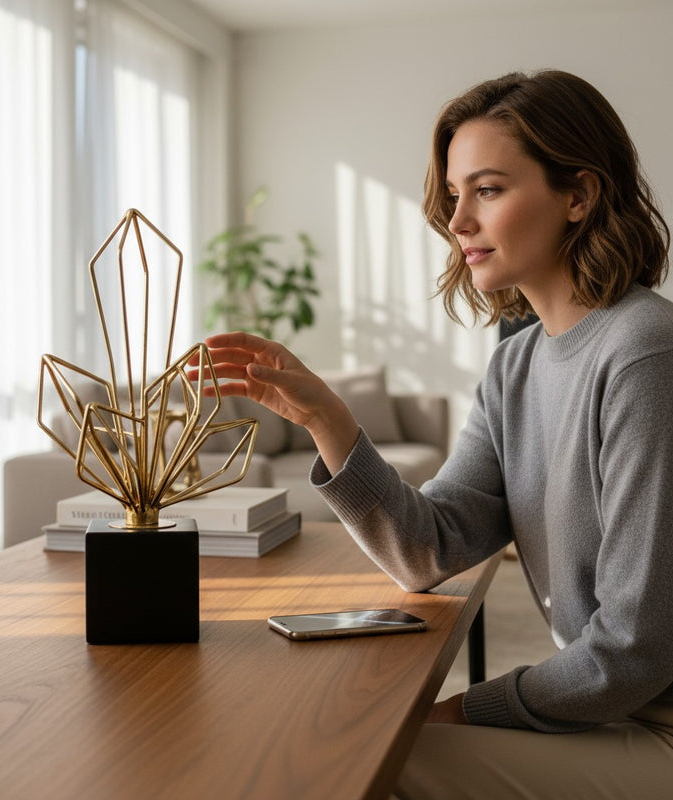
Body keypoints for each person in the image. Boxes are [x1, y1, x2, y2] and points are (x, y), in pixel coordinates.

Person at [191, 70, 673, 798]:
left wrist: (464, 710)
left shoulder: (643, 352)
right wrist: (327, 416)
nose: (458, 222)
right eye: (455, 196)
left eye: (488, 189)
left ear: (578, 194)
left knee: (365, 764)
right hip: (613, 712)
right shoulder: (516, 365)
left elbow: (635, 651)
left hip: (653, 723)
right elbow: (429, 548)